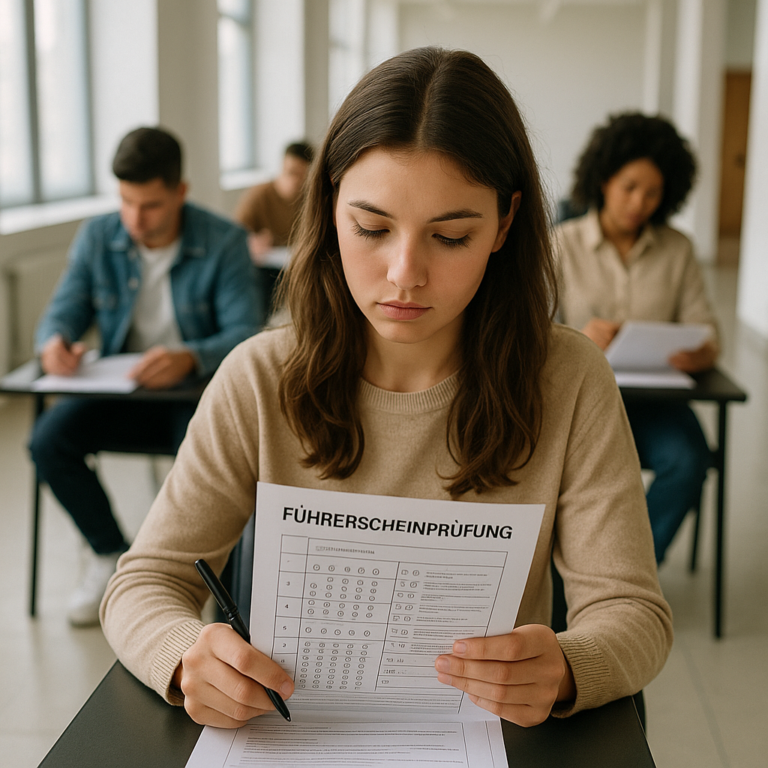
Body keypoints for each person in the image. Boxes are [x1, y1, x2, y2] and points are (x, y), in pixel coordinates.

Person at [101, 49, 672, 729]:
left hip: (487, 739)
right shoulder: (260, 377)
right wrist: (185, 653)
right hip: (290, 734)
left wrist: (572, 665)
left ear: (506, 224)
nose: (405, 274)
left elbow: (633, 614)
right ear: (331, 203)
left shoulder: (570, 379)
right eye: (371, 228)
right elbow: (143, 583)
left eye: (452, 236)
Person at [29, 126, 262, 627]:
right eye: (126, 202)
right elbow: (63, 311)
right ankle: (109, 556)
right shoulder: (98, 236)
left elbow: (246, 332)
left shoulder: (224, 241)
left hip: (195, 398)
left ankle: (193, 581)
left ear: (180, 191)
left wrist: (190, 356)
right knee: (47, 441)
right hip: (121, 393)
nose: (135, 219)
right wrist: (52, 343)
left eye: (150, 205)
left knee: (214, 468)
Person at [554, 112, 718, 565]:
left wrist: (702, 352)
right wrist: (576, 336)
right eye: (630, 187)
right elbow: (531, 329)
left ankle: (627, 570)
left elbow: (706, 328)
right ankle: (581, 579)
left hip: (655, 403)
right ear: (604, 180)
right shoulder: (560, 244)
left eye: (653, 193)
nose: (639, 203)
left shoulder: (677, 250)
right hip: (582, 402)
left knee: (688, 460)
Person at [234, 141, 315, 314]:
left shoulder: (311, 198)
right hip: (266, 267)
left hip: (298, 264)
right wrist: (251, 242)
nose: (295, 180)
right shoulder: (259, 195)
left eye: (302, 175)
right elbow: (235, 236)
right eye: (290, 172)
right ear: (281, 167)